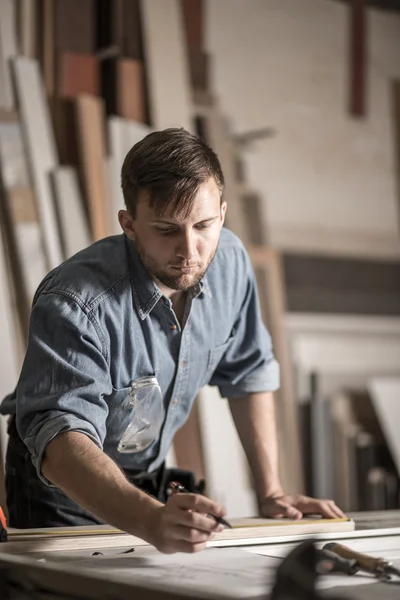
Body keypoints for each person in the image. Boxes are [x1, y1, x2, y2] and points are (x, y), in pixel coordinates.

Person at [0, 128, 345, 554]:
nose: (190, 251)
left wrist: (271, 493)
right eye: (166, 230)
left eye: (203, 225)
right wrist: (149, 519)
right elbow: (60, 434)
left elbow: (249, 372)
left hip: (143, 471)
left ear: (222, 212)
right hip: (62, 485)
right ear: (129, 223)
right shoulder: (75, 302)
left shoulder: (231, 262)